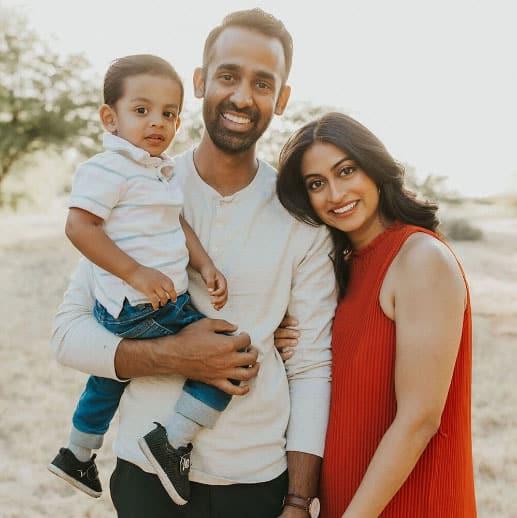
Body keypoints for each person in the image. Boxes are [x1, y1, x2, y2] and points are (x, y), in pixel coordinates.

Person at [50, 9, 337, 518]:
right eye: (228, 76)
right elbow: (69, 336)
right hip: (141, 477)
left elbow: (312, 366)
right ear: (201, 82)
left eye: (263, 83)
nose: (243, 96)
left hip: (256, 480)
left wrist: (297, 499)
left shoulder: (302, 218)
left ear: (282, 98)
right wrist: (176, 356)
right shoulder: (135, 186)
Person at [48, 54, 236, 506]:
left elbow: (176, 225)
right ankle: (171, 442)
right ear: (109, 118)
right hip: (143, 306)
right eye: (142, 110)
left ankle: (77, 453)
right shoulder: (107, 167)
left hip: (131, 307)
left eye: (169, 114)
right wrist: (134, 272)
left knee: (107, 378)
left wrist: (204, 264)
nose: (158, 123)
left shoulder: (156, 170)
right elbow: (79, 227)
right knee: (229, 356)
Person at [275, 112, 477, 517]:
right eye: (317, 184)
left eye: (345, 170)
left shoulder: (420, 258)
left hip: (411, 504)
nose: (335, 194)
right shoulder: (345, 269)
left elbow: (419, 419)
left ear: (373, 166)